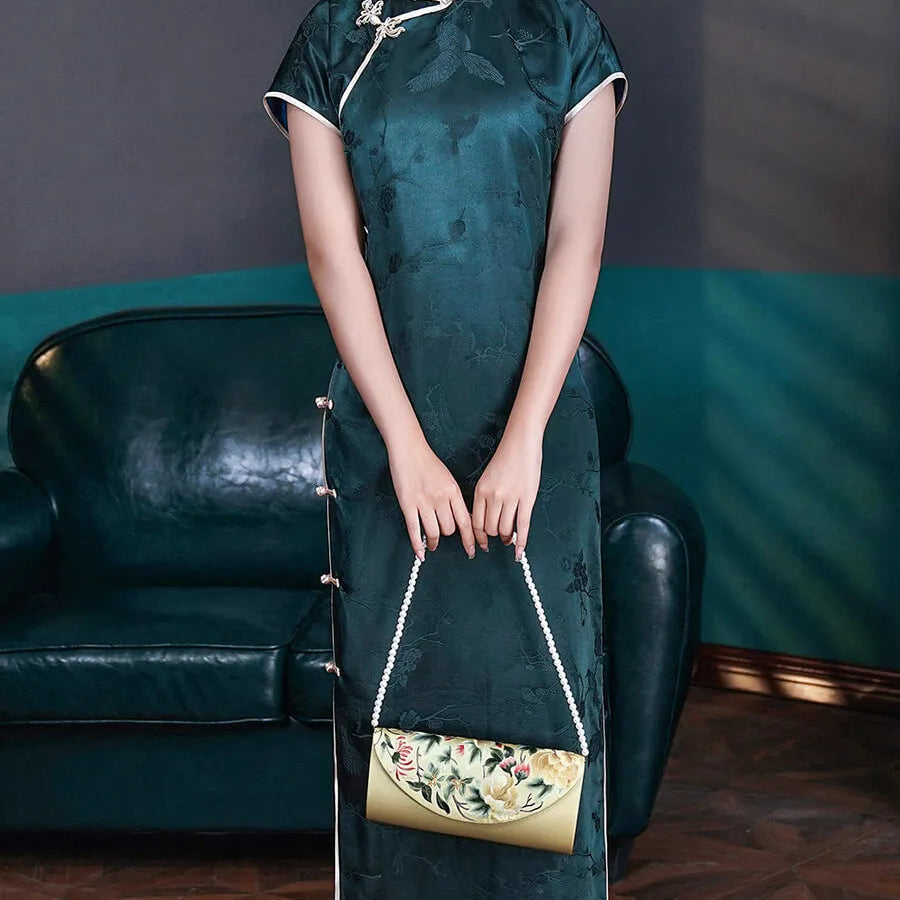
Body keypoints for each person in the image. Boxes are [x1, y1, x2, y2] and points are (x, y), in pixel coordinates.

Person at [262, 0, 627, 896]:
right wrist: (405, 446)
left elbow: (575, 243)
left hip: (537, 439)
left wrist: (525, 437)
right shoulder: (334, 36)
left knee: (542, 719)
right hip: (390, 441)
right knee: (396, 721)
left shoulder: (564, 30)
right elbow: (330, 252)